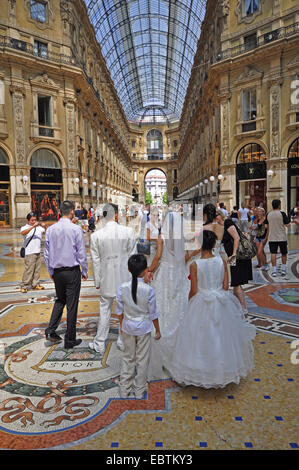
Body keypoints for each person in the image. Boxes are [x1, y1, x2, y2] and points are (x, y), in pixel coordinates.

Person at [166, 230, 256, 388]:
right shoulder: (221, 260)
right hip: (221, 300)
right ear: (214, 244)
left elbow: (193, 290)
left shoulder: (195, 265)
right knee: (222, 336)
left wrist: (190, 306)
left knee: (201, 336)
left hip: (202, 300)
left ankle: (201, 370)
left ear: (199, 245)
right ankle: (222, 368)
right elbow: (226, 285)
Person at [89, 203, 137, 356]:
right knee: (124, 311)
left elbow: (96, 261)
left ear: (103, 216)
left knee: (105, 310)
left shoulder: (96, 236)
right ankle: (123, 341)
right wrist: (134, 279)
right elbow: (133, 257)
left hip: (106, 279)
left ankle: (100, 343)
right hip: (125, 278)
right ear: (116, 215)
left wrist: (97, 281)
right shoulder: (128, 232)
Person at [147, 210, 189, 379]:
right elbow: (184, 257)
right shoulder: (181, 238)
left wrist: (149, 270)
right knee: (177, 308)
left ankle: (160, 348)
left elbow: (157, 256)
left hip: (164, 274)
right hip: (178, 274)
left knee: (162, 309)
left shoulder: (162, 236)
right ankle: (178, 349)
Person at [115, 254, 161, 399]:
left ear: (129, 269)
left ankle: (124, 389)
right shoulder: (149, 290)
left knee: (128, 358)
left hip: (128, 326)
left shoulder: (122, 287)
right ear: (146, 270)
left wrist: (122, 327)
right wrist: (158, 330)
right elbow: (153, 313)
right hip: (144, 328)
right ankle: (139, 390)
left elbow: (119, 311)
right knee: (142, 360)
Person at [44, 200, 88, 348]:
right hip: (71, 271)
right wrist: (85, 270)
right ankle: (70, 340)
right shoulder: (76, 229)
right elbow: (81, 252)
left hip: (57, 272)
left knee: (60, 299)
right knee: (72, 305)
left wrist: (51, 271)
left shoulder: (50, 229)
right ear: (72, 212)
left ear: (59, 212)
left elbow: (46, 254)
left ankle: (51, 331)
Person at [222, 215, 253, 314]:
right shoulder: (222, 225)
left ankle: (243, 308)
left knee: (236, 281)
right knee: (236, 281)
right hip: (235, 257)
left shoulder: (227, 222)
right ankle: (238, 306)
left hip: (237, 257)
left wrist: (233, 254)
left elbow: (237, 238)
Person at [20, 212, 46, 293]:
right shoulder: (24, 227)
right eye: (32, 220)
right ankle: (25, 285)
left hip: (38, 251)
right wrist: (33, 227)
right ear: (28, 220)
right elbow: (23, 233)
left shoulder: (39, 228)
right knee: (29, 270)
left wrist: (45, 226)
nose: (34, 221)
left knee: (37, 269)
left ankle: (35, 284)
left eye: (35, 220)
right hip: (29, 252)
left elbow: (46, 232)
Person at [264, 199, 290, 277]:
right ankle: (284, 270)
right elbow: (287, 224)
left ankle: (274, 271)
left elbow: (265, 226)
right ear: (279, 205)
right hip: (282, 237)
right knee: (284, 253)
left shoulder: (268, 214)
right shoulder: (282, 213)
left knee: (273, 253)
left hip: (272, 237)